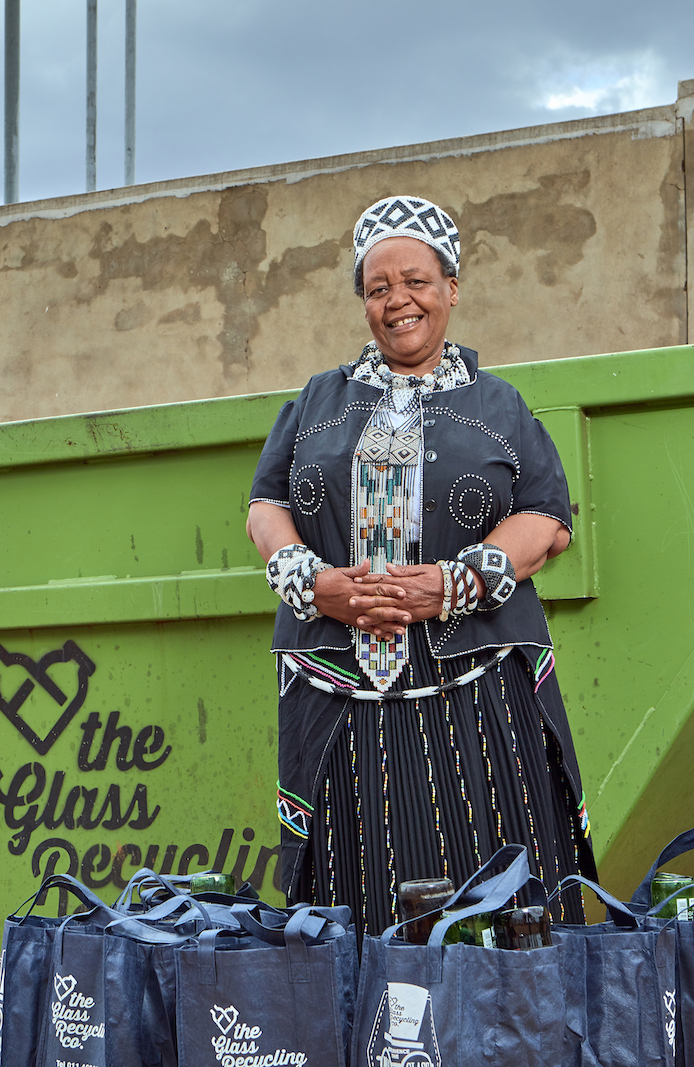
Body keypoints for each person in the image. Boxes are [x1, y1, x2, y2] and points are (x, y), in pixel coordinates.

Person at [246, 194, 596, 935]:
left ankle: (511, 1030)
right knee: (353, 876)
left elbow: (547, 519)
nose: (398, 301)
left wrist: (456, 582)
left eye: (417, 281)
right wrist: (313, 582)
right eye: (378, 288)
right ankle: (364, 1031)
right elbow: (264, 505)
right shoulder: (317, 401)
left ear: (452, 289)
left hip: (476, 682)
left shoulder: (499, 405)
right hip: (339, 683)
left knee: (496, 867)